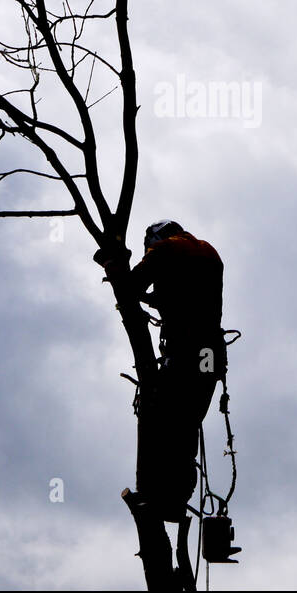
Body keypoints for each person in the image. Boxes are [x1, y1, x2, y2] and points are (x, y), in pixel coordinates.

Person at [99, 220, 226, 523]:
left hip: (184, 352)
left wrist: (111, 266)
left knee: (157, 417)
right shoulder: (208, 252)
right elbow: (182, 297)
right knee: (186, 425)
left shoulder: (164, 249)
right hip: (210, 355)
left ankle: (152, 495)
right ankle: (175, 501)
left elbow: (131, 286)